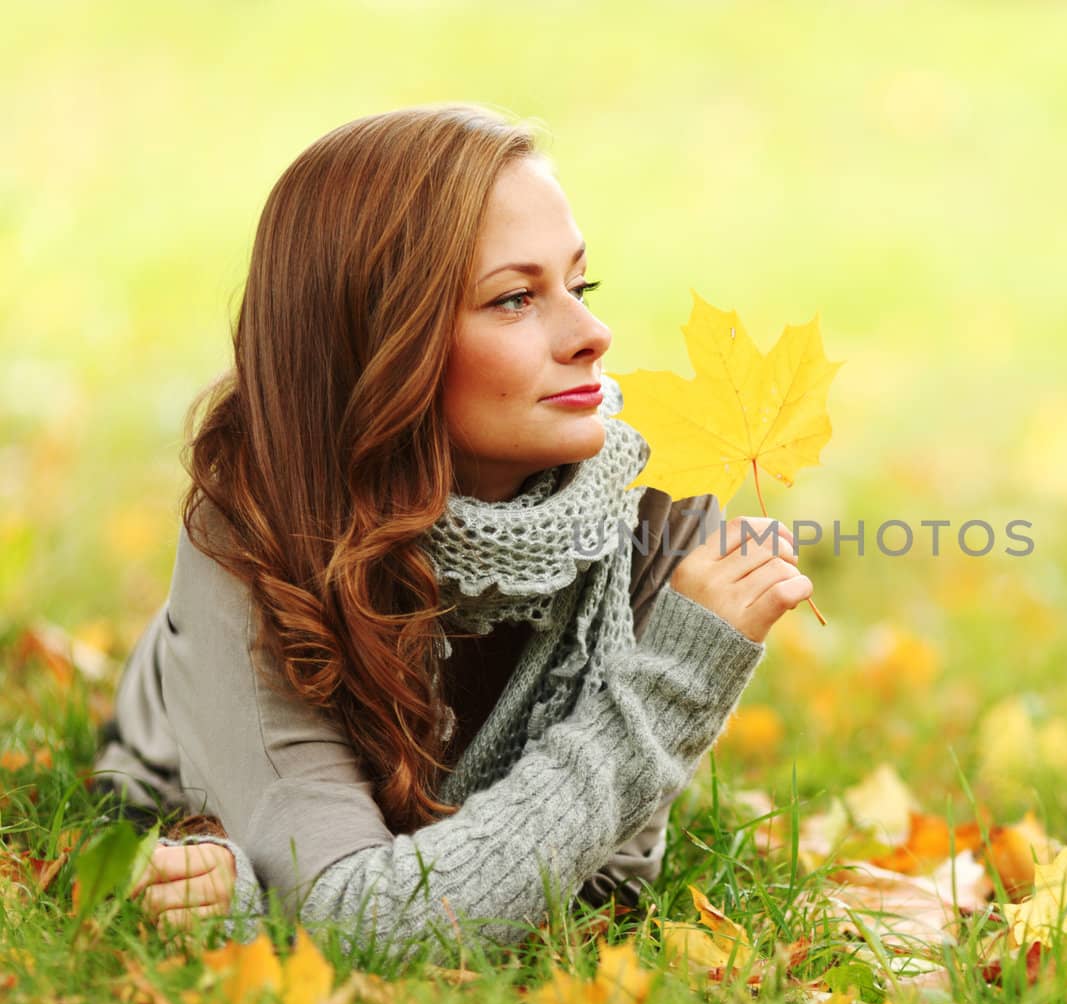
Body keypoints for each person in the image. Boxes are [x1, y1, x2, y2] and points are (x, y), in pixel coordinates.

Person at [91, 104, 814, 951]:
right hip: (180, 715)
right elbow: (371, 927)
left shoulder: (656, 506)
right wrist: (663, 691)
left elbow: (599, 885)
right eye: (514, 299)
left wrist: (288, 909)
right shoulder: (255, 527)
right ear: (377, 347)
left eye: (580, 286)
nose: (592, 335)